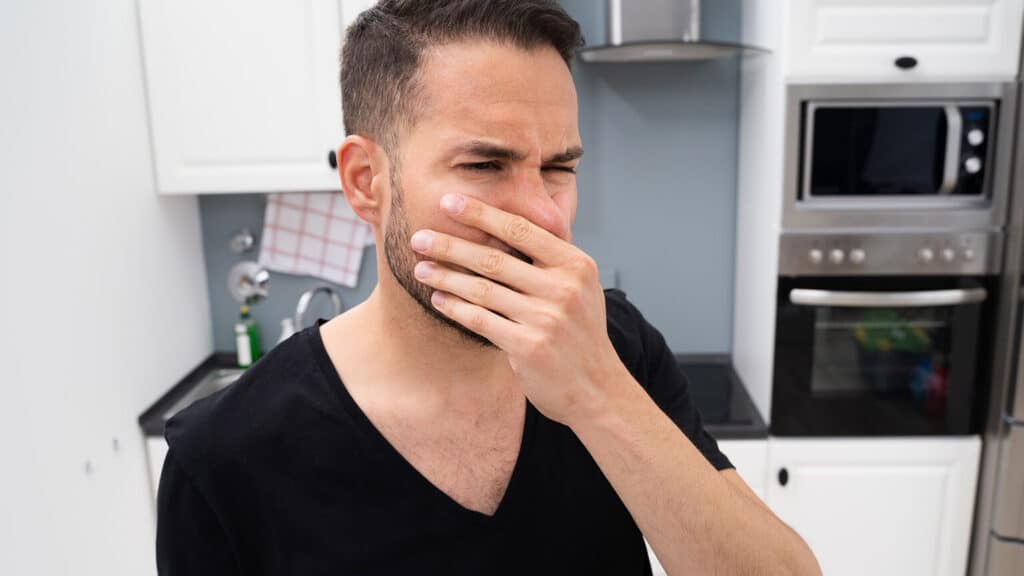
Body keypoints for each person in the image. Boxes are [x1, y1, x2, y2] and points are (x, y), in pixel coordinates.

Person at [156, 1, 821, 574]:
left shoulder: (616, 347)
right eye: (483, 164)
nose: (545, 215)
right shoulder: (221, 458)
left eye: (559, 168)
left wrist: (598, 394)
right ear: (365, 181)